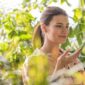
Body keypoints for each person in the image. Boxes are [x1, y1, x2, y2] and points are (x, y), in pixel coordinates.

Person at [22, 6, 83, 85]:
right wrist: (59, 68)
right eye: (59, 26)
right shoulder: (33, 62)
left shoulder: (73, 60)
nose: (65, 31)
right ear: (44, 28)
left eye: (67, 26)